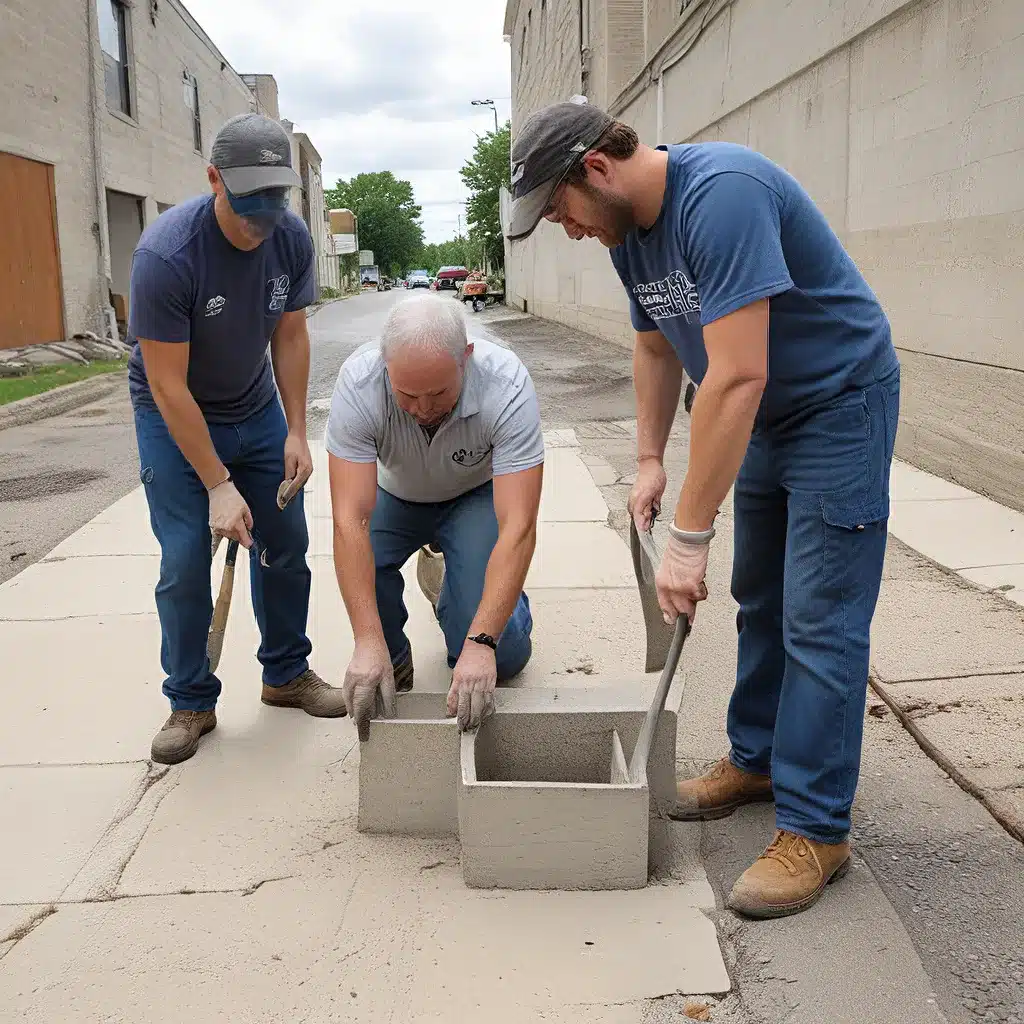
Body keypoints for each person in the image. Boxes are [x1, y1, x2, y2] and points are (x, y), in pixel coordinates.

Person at [506, 101, 900, 919]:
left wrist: (689, 535)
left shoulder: (721, 193)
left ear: (596, 170)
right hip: (762, 417)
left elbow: (738, 375)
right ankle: (756, 760)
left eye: (559, 209)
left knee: (819, 621)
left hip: (835, 405)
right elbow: (655, 345)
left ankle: (818, 828)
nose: (566, 229)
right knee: (762, 600)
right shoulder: (629, 236)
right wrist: (650, 460)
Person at [127, 113, 346, 766]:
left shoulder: (290, 237)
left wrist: (299, 430)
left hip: (256, 409)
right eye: (246, 203)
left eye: (273, 202)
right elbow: (168, 386)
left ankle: (285, 673)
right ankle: (190, 698)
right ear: (214, 178)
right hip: (175, 417)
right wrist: (218, 485)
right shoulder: (167, 256)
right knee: (184, 556)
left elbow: (290, 333)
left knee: (285, 543)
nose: (260, 219)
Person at [325, 292, 544, 736]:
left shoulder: (506, 384)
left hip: (473, 495)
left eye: (439, 392)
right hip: (393, 496)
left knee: (502, 659)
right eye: (407, 394)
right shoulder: (359, 383)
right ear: (384, 363)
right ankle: (394, 657)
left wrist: (481, 642)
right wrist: (369, 643)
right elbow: (350, 521)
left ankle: (479, 590)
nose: (423, 409)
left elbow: (519, 526)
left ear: (467, 358)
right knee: (372, 612)